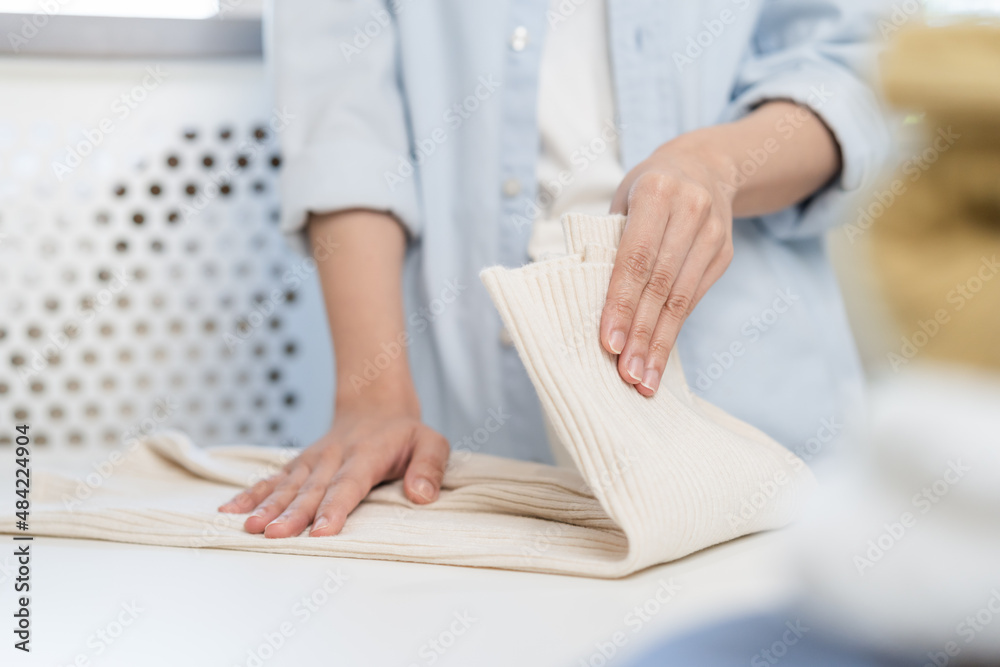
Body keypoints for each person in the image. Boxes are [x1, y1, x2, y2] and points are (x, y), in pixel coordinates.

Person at [219, 0, 889, 538]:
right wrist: (373, 396)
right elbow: (346, 118)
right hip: (457, 429)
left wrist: (717, 165)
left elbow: (852, 65)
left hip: (749, 409)